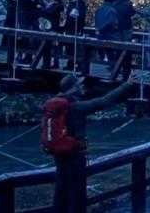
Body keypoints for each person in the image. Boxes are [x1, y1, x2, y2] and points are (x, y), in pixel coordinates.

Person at [46, 74, 91, 213]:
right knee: (76, 195)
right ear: (73, 88)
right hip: (73, 155)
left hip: (60, 155)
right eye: (79, 84)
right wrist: (128, 84)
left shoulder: (55, 107)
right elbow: (104, 101)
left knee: (61, 191)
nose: (82, 85)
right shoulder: (75, 107)